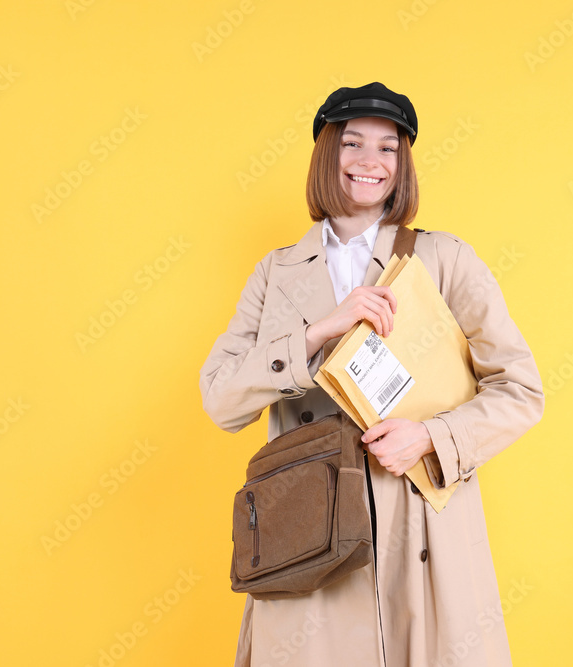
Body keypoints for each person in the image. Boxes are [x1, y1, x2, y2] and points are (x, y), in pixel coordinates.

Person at [200, 81, 544, 667]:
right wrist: (315, 335)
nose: (369, 162)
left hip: (422, 528)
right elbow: (220, 399)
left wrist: (431, 438)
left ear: (402, 165)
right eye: (352, 143)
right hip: (310, 529)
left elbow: (520, 390)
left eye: (389, 148)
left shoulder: (443, 259)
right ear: (326, 155)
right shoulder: (276, 273)